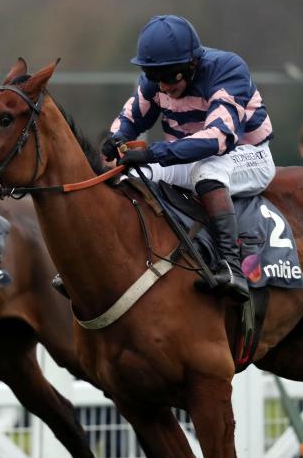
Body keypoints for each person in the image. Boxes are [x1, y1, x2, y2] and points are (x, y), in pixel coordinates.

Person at [104, 15, 276, 303]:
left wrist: (152, 152)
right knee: (129, 177)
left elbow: (217, 139)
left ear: (192, 65)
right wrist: (116, 139)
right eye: (155, 77)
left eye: (171, 77)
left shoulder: (227, 69)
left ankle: (232, 267)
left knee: (207, 172)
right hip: (190, 157)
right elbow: (130, 118)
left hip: (247, 154)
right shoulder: (155, 81)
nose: (164, 86)